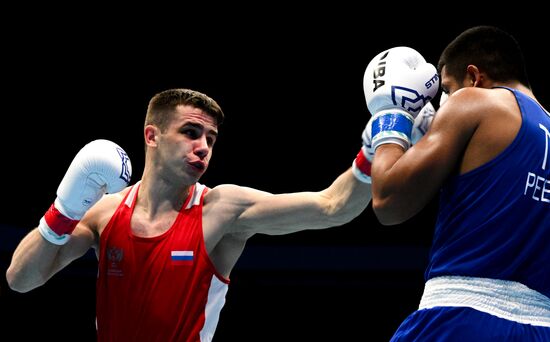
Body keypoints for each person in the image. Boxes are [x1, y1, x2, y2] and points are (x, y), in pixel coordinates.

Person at [5, 87, 390, 341]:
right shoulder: (104, 214)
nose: (203, 146)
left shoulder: (222, 210)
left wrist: (373, 151)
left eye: (211, 138)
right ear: (151, 136)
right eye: (190, 132)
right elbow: (21, 280)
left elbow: (332, 207)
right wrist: (64, 210)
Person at [363, 26, 550, 340]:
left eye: (447, 89)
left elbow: (387, 201)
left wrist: (390, 115)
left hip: (459, 320)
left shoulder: (476, 102)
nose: (442, 107)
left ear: (474, 77)